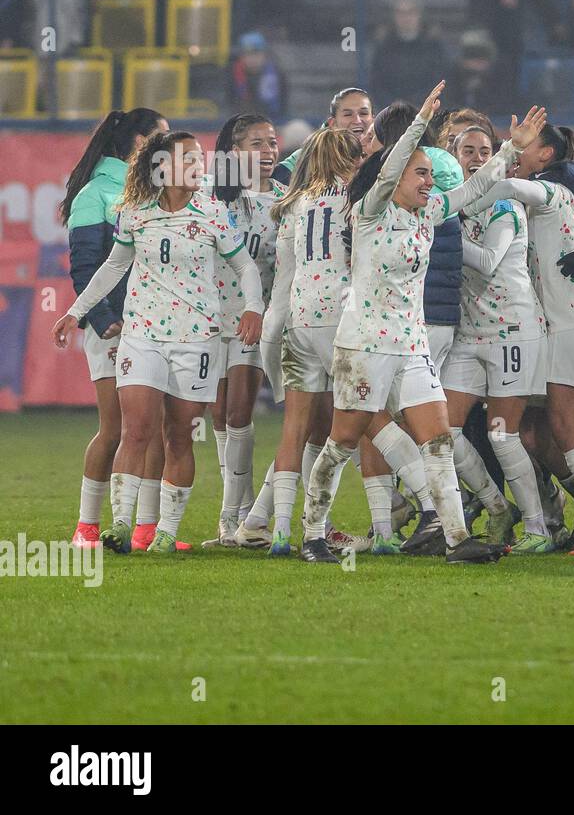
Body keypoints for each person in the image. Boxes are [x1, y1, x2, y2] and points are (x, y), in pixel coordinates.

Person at [297, 83, 536, 565]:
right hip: (363, 347)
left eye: (431, 173)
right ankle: (312, 536)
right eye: (422, 173)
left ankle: (455, 538)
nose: (431, 181)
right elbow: (388, 169)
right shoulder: (369, 212)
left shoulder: (428, 213)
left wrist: (512, 148)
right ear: (396, 175)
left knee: (439, 439)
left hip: (410, 346)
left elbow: (473, 188)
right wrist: (417, 127)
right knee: (342, 442)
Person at [52, 130, 265, 553]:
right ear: (162, 168)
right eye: (187, 160)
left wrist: (253, 306)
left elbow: (245, 267)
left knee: (179, 436)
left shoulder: (211, 212)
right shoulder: (135, 213)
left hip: (197, 338)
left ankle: (165, 530)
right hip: (143, 335)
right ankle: (118, 525)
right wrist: (76, 312)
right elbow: (113, 267)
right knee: (135, 430)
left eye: (198, 160)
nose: (198, 166)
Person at [468, 124, 574, 555]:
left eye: (524, 148)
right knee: (531, 433)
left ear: (545, 154)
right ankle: (566, 520)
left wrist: (451, 204)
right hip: (551, 326)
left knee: (565, 425)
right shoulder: (539, 193)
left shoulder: (552, 189)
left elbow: (506, 183)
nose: (516, 156)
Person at [441, 118, 558, 552]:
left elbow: (488, 260)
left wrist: (440, 231)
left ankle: (538, 529)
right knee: (443, 431)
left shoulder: (503, 204)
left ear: (495, 158)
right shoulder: (451, 206)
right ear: (454, 158)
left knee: (502, 435)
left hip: (513, 329)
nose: (474, 159)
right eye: (466, 151)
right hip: (470, 334)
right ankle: (496, 507)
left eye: (482, 151)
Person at [60, 108, 169, 550]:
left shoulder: (151, 193)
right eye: (161, 138)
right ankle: (86, 528)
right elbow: (86, 266)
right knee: (117, 428)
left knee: (153, 428)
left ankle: (145, 530)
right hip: (111, 326)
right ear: (140, 144)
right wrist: (104, 321)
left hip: (153, 324)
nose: (169, 145)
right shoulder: (96, 194)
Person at [258, 128, 366, 556]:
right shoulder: (355, 199)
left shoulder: (295, 202)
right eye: (356, 155)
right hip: (340, 317)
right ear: (345, 158)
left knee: (294, 431)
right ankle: (388, 522)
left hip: (298, 318)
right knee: (362, 423)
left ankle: (281, 533)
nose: (362, 161)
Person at [202, 113, 280, 547]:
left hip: (255, 319)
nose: (269, 150)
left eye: (271, 142)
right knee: (218, 416)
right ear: (233, 153)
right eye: (257, 143)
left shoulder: (285, 201)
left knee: (238, 414)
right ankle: (244, 521)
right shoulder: (211, 199)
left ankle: (230, 518)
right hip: (211, 320)